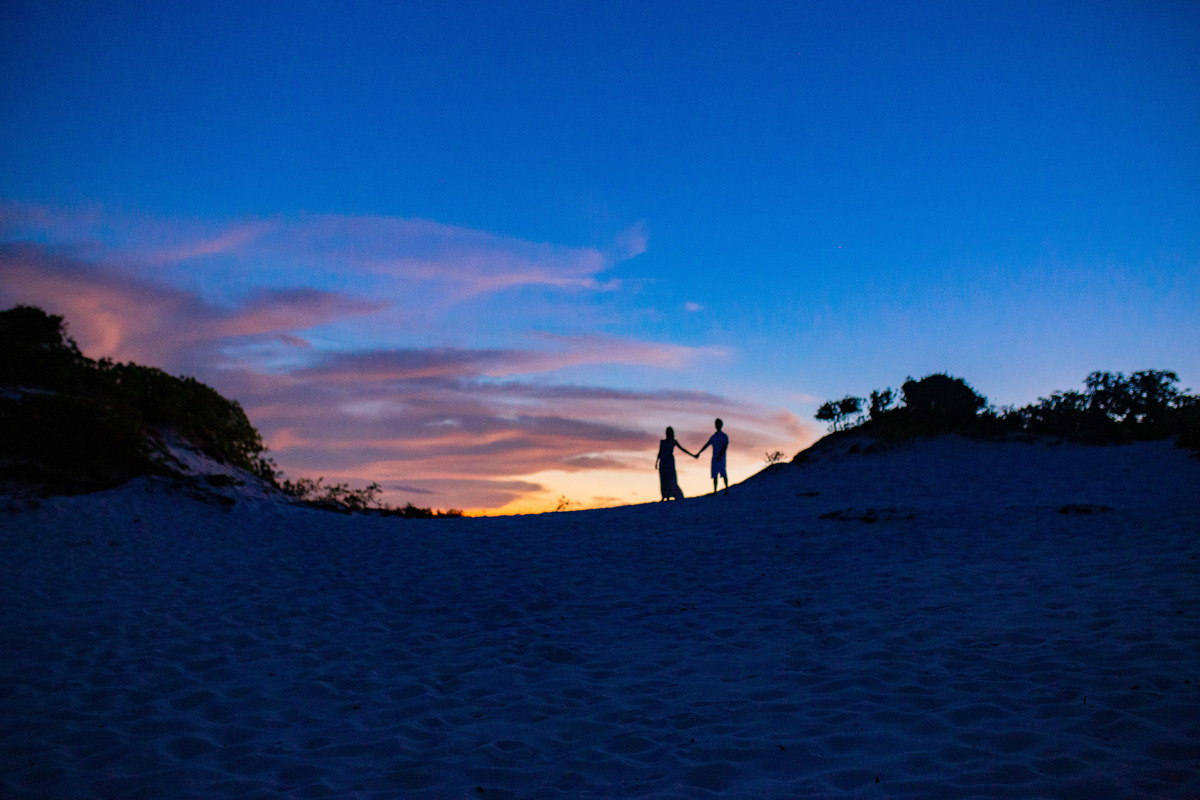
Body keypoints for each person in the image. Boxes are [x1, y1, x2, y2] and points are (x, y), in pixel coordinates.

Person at [655, 426, 694, 501]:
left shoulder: (673, 441)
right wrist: (657, 462)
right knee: (663, 479)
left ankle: (669, 496)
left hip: (669, 462)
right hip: (663, 462)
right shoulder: (662, 442)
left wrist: (693, 455)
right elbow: (659, 452)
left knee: (670, 479)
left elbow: (683, 449)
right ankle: (664, 496)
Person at [694, 418, 729, 495]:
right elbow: (706, 445)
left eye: (718, 424)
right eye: (716, 424)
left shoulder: (724, 436)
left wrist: (720, 456)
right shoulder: (713, 437)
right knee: (714, 475)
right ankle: (715, 491)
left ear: (721, 425)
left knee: (723, 473)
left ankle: (726, 489)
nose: (717, 426)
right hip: (714, 459)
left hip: (721, 459)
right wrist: (699, 452)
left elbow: (725, 447)